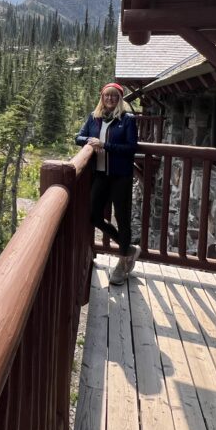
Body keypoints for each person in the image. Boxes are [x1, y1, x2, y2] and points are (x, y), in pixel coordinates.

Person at [76, 82, 140, 284]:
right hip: (100, 175)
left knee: (122, 218)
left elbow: (131, 148)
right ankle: (128, 249)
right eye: (106, 96)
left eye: (114, 96)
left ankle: (123, 264)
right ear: (102, 98)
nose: (110, 99)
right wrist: (90, 141)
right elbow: (78, 137)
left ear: (120, 99)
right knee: (94, 216)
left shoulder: (127, 119)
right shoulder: (94, 118)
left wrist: (105, 145)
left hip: (120, 175)